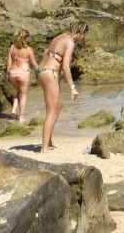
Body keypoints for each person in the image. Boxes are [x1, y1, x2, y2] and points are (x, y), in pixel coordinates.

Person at [35, 21, 87, 153]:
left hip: (40, 71)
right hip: (50, 73)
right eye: (84, 35)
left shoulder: (60, 37)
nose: (84, 38)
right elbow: (65, 66)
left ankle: (49, 140)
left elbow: (46, 53)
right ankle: (44, 149)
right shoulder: (70, 42)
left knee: (59, 106)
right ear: (80, 32)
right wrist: (72, 87)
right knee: (51, 112)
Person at [6, 28, 39, 123]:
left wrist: (7, 73)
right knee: (23, 95)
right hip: (23, 73)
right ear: (27, 38)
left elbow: (9, 61)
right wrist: (41, 71)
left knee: (19, 91)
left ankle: (13, 109)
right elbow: (34, 64)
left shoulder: (12, 47)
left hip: (12, 72)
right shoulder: (28, 50)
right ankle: (21, 117)